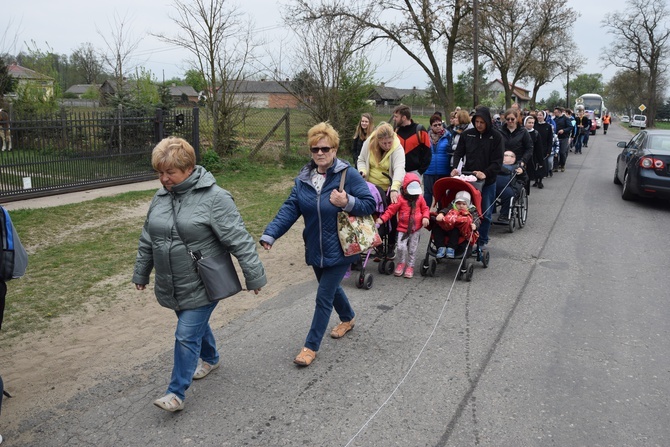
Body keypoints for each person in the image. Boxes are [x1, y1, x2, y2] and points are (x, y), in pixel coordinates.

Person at [133, 136, 267, 412]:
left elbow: (239, 239)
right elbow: (148, 239)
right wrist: (141, 273)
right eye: (160, 172)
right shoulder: (160, 198)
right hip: (172, 281)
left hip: (204, 281)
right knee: (192, 324)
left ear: (189, 168)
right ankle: (211, 358)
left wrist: (253, 275)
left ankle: (175, 393)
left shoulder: (215, 198)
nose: (164, 179)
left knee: (185, 334)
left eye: (170, 172)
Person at [261, 122, 376, 367]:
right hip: (315, 247)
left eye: (325, 148)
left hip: (342, 247)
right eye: (315, 149)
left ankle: (310, 347)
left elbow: (369, 204)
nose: (320, 153)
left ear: (334, 149)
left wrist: (347, 201)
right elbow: (290, 208)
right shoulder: (304, 178)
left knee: (323, 296)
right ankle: (348, 317)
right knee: (331, 289)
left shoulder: (348, 174)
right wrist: (271, 234)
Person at [450, 106, 503, 250]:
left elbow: (498, 161)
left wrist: (485, 173)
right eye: (477, 121)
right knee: (464, 211)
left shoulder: (496, 137)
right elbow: (458, 153)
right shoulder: (468, 135)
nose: (479, 125)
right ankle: (463, 238)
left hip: (487, 181)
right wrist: (456, 167)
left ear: (487, 122)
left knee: (483, 212)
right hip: (469, 178)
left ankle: (482, 240)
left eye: (482, 122)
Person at [357, 122, 406, 259]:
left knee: (390, 214)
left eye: (389, 142)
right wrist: (362, 171)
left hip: (388, 186)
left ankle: (390, 244)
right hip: (371, 186)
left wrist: (395, 188)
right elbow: (361, 160)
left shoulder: (397, 148)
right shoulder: (369, 143)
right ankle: (376, 244)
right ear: (378, 140)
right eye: (383, 143)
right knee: (372, 215)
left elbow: (399, 169)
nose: (387, 145)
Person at [375, 173, 429, 278]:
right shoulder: (400, 199)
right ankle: (401, 263)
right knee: (400, 247)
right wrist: (382, 219)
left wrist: (425, 217)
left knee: (412, 249)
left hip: (415, 228)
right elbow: (391, 210)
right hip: (402, 228)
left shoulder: (420, 199)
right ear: (404, 189)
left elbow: (425, 209)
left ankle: (410, 266)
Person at [432, 190, 478, 259]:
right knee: (436, 228)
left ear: (468, 204)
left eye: (463, 204)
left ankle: (451, 248)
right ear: (455, 203)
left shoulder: (471, 211)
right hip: (447, 226)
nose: (461, 206)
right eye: (458, 203)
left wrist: (475, 225)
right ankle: (440, 247)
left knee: (455, 231)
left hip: (459, 230)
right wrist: (441, 214)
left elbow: (477, 219)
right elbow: (445, 210)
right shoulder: (451, 207)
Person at [392, 104, 432, 176]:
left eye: (396, 116)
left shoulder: (420, 130)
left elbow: (428, 153)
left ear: (404, 118)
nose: (394, 119)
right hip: (397, 171)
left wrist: (420, 171)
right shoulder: (395, 131)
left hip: (415, 172)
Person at [423, 113, 452, 208]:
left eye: (440, 124)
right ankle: (426, 216)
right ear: (431, 126)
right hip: (429, 171)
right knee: (427, 195)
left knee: (442, 196)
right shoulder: (425, 137)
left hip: (443, 171)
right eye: (435, 125)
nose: (438, 127)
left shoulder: (448, 136)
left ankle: (441, 217)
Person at [495, 151, 526, 222]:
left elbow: (524, 179)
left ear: (513, 158)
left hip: (509, 187)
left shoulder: (517, 167)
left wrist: (522, 172)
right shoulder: (496, 164)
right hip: (493, 186)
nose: (503, 156)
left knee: (509, 194)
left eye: (505, 155)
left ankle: (504, 215)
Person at [533, 111, 554, 189]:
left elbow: (550, 140)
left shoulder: (548, 126)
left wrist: (549, 150)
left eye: (540, 115)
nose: (539, 117)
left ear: (544, 116)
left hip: (544, 148)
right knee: (535, 164)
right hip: (535, 148)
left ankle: (540, 181)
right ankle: (535, 180)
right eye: (538, 115)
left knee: (542, 165)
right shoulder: (534, 126)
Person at [553, 107, 572, 172]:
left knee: (562, 152)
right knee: (555, 152)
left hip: (564, 137)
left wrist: (563, 130)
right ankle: (555, 166)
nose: (554, 113)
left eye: (556, 112)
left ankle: (562, 164)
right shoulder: (554, 119)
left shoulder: (566, 119)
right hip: (556, 138)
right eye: (554, 112)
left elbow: (570, 127)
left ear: (559, 112)